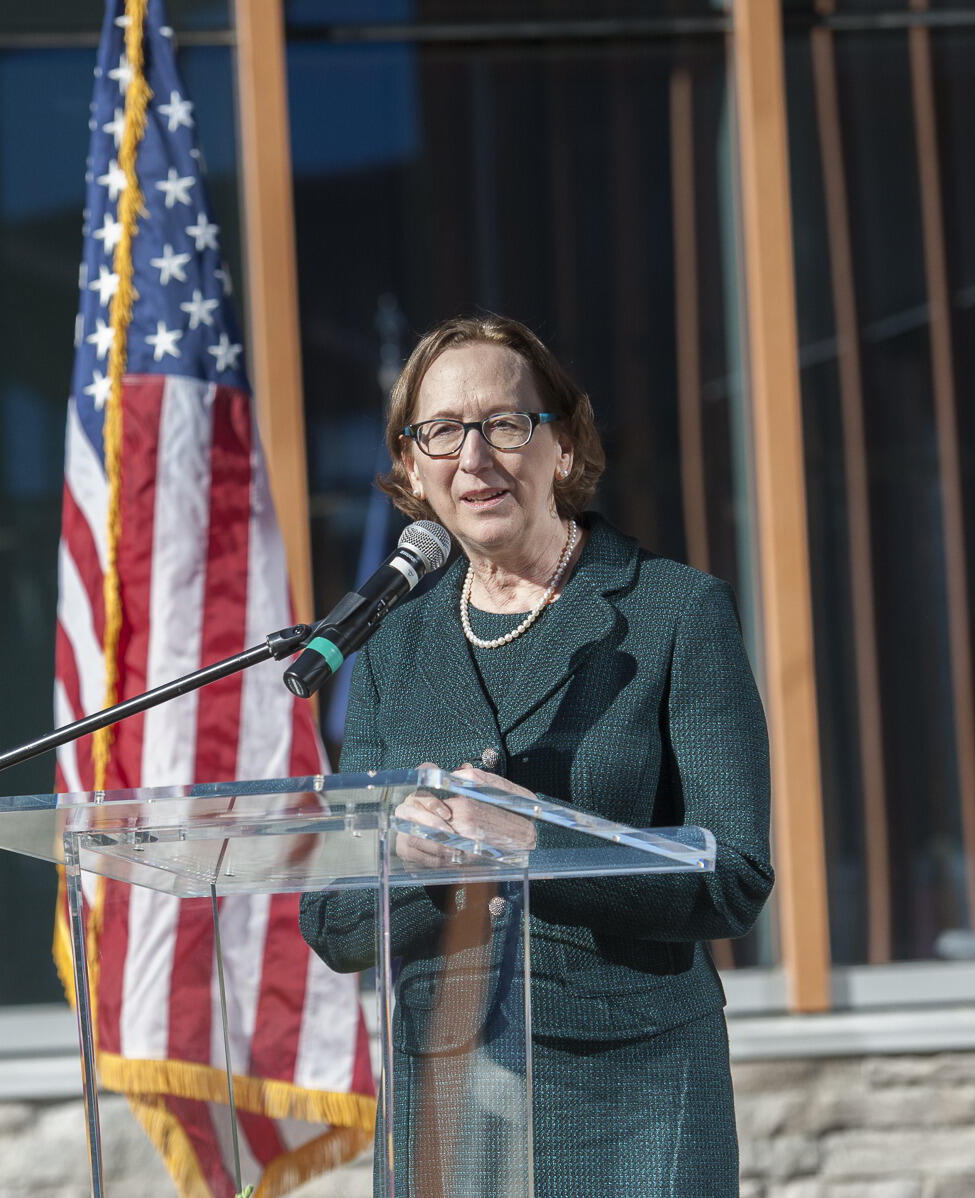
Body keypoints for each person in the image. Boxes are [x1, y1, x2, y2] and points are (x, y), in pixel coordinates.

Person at [298, 314, 772, 1196]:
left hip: (633, 1095)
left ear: (565, 444)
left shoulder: (676, 613)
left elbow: (734, 878)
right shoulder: (393, 644)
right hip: (444, 1099)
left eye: (504, 424)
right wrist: (401, 860)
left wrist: (532, 844)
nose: (473, 456)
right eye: (440, 431)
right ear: (412, 468)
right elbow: (333, 925)